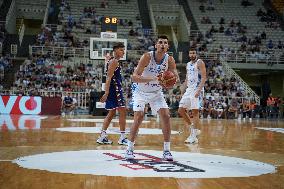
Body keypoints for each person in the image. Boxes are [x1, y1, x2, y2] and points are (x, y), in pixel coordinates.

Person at [125, 35, 178, 161]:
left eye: (165, 43)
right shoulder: (147, 57)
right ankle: (129, 148)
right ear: (156, 45)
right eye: (160, 42)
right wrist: (155, 79)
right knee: (139, 116)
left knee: (166, 115)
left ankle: (166, 150)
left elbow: (175, 78)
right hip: (140, 91)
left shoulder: (169, 59)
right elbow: (134, 77)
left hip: (156, 92)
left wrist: (168, 83)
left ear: (168, 46)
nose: (163, 45)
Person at [96, 42, 129, 145]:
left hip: (114, 89)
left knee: (112, 113)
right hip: (115, 90)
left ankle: (102, 136)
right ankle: (122, 137)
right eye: (121, 50)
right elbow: (109, 77)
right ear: (115, 51)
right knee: (122, 111)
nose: (123, 52)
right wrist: (106, 93)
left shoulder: (112, 61)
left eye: (123, 50)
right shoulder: (114, 61)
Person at [178, 47, 206, 144]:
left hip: (196, 89)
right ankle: (193, 129)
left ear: (196, 54)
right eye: (190, 53)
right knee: (181, 110)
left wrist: (199, 90)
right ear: (189, 55)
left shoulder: (200, 62)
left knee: (195, 112)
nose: (192, 55)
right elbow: (187, 79)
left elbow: (203, 77)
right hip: (189, 90)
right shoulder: (187, 64)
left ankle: (193, 137)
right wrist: (182, 88)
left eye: (194, 53)